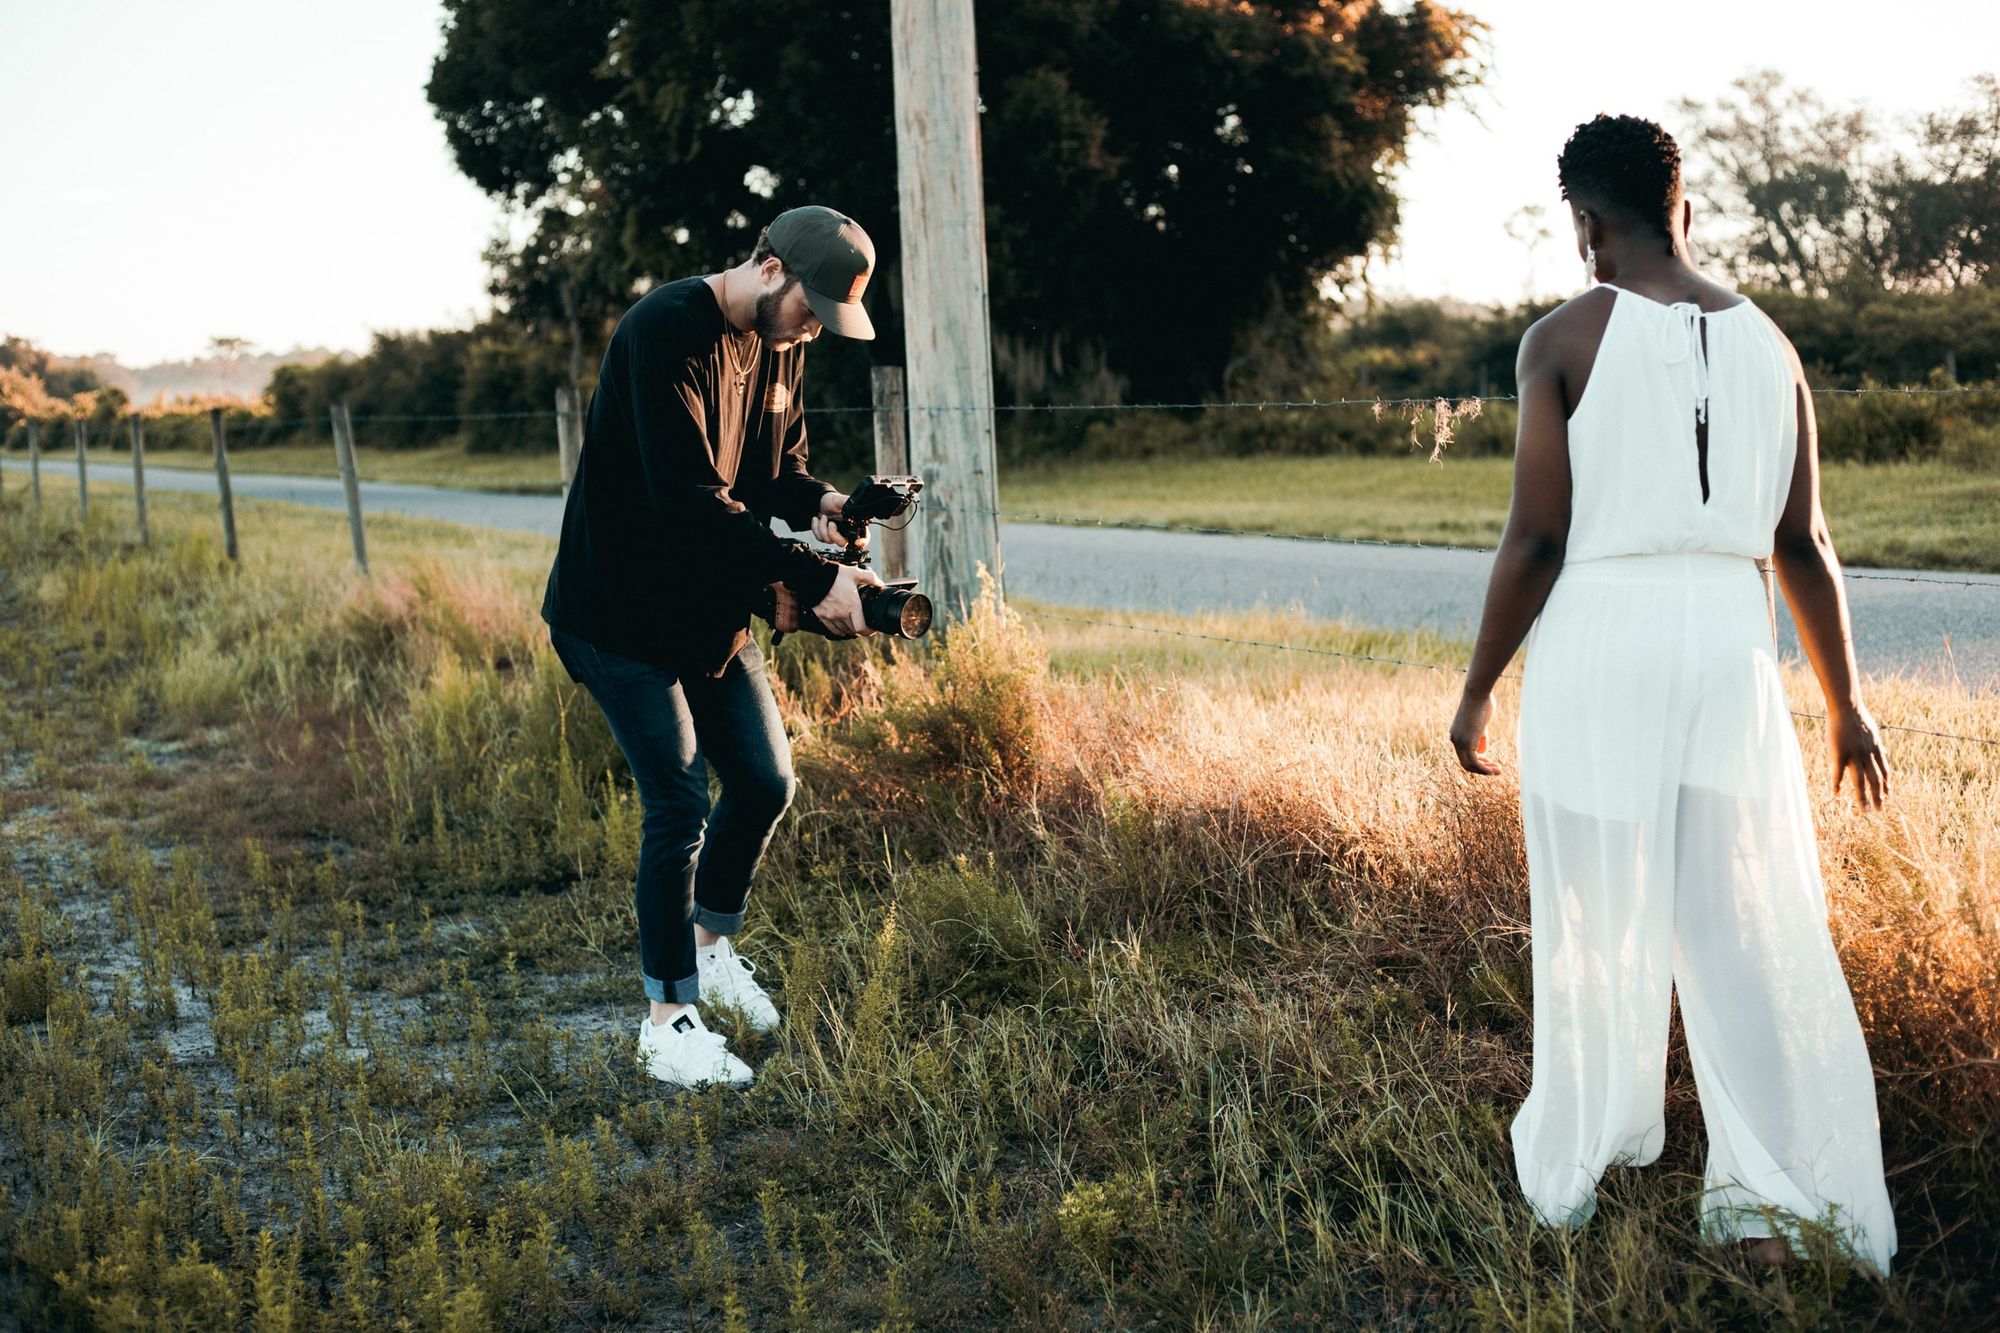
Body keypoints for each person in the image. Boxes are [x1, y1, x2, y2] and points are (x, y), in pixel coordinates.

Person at [1448, 115, 1896, 1272]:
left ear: (1586, 224)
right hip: (1728, 649)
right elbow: (1802, 543)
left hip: (1604, 643)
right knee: (1739, 917)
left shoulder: (1558, 338)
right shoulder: (1774, 347)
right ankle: (1774, 1193)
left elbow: (1536, 536)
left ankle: (1590, 1144)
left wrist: (1475, 688)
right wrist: (1843, 703)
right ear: (1682, 206)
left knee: (1596, 904)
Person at [542, 205, 884, 1088]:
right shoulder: (667, 331)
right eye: (811, 307)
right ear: (770, 268)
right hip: (616, 614)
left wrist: (833, 511)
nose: (813, 328)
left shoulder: (780, 347)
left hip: (703, 608)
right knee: (679, 800)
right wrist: (813, 584)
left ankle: (710, 951)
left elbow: (778, 471)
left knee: (768, 780)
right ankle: (669, 1019)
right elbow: (694, 503)